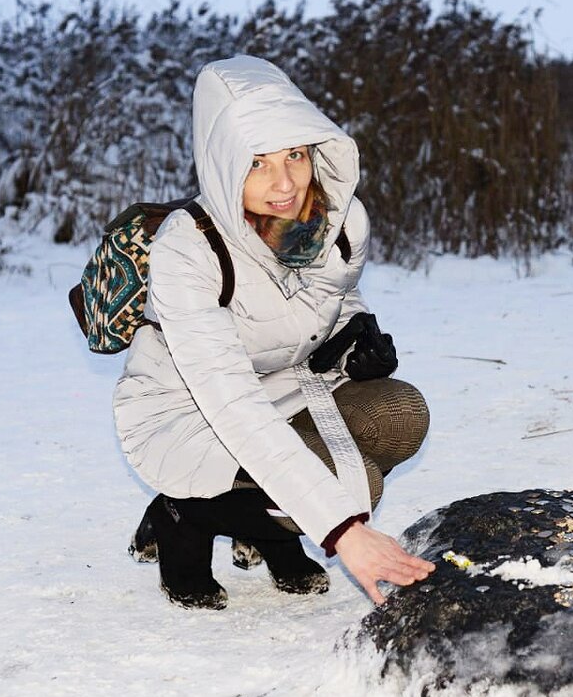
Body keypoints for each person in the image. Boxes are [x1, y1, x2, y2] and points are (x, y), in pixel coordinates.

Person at [112, 55, 434, 609]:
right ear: (223, 162)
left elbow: (337, 289)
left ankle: (257, 517)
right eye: (256, 162)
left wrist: (354, 331)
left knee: (401, 414)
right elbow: (231, 402)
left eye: (295, 155)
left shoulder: (340, 219)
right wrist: (341, 530)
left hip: (284, 382)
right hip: (190, 411)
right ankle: (183, 509)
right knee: (354, 491)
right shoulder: (188, 248)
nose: (284, 183)